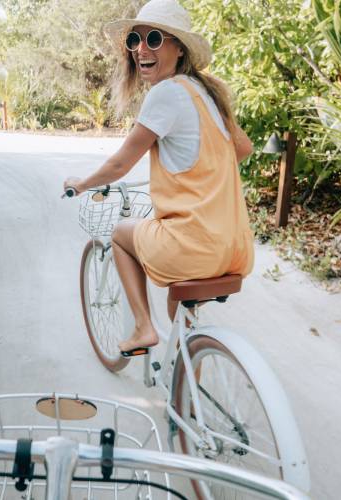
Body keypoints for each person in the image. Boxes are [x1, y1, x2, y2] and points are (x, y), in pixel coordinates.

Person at [63, 0, 255, 357]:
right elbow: (241, 148)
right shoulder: (207, 92)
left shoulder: (166, 93)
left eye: (153, 38)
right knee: (182, 309)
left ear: (178, 47)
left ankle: (142, 327)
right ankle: (186, 388)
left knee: (120, 234)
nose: (141, 50)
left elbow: (121, 165)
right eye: (134, 41)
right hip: (232, 246)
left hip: (192, 247)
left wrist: (82, 182)